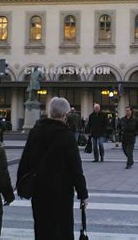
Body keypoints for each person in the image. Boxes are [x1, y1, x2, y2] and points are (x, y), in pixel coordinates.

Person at [17, 97, 88, 240]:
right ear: (65, 115)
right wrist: (83, 193)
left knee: (42, 227)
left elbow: (25, 160)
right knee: (62, 228)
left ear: (49, 112)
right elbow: (76, 168)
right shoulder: (66, 136)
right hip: (61, 190)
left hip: (39, 189)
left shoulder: (35, 132)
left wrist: (21, 183)